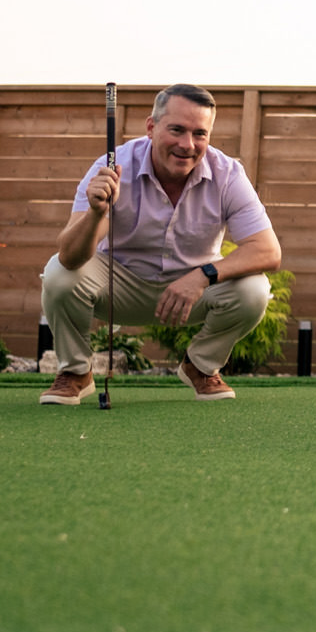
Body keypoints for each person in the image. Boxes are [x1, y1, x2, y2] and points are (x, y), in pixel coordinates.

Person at [38, 83, 281, 404]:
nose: (188, 144)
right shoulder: (111, 167)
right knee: (58, 273)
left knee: (254, 289)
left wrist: (202, 275)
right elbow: (70, 256)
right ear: (151, 127)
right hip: (117, 286)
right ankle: (76, 371)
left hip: (192, 291)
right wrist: (96, 214)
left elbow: (268, 251)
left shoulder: (229, 174)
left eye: (200, 134)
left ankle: (201, 366)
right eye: (177, 130)